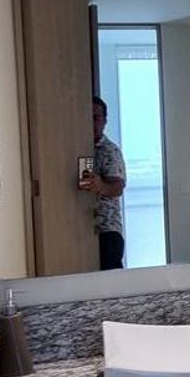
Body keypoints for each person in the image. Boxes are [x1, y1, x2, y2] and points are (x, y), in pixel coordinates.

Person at [79, 96, 126, 270]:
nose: (91, 123)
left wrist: (101, 186)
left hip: (107, 231)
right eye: (87, 117)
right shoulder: (74, 147)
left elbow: (118, 188)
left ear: (104, 120)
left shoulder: (110, 151)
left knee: (111, 281)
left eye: (95, 117)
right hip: (80, 231)